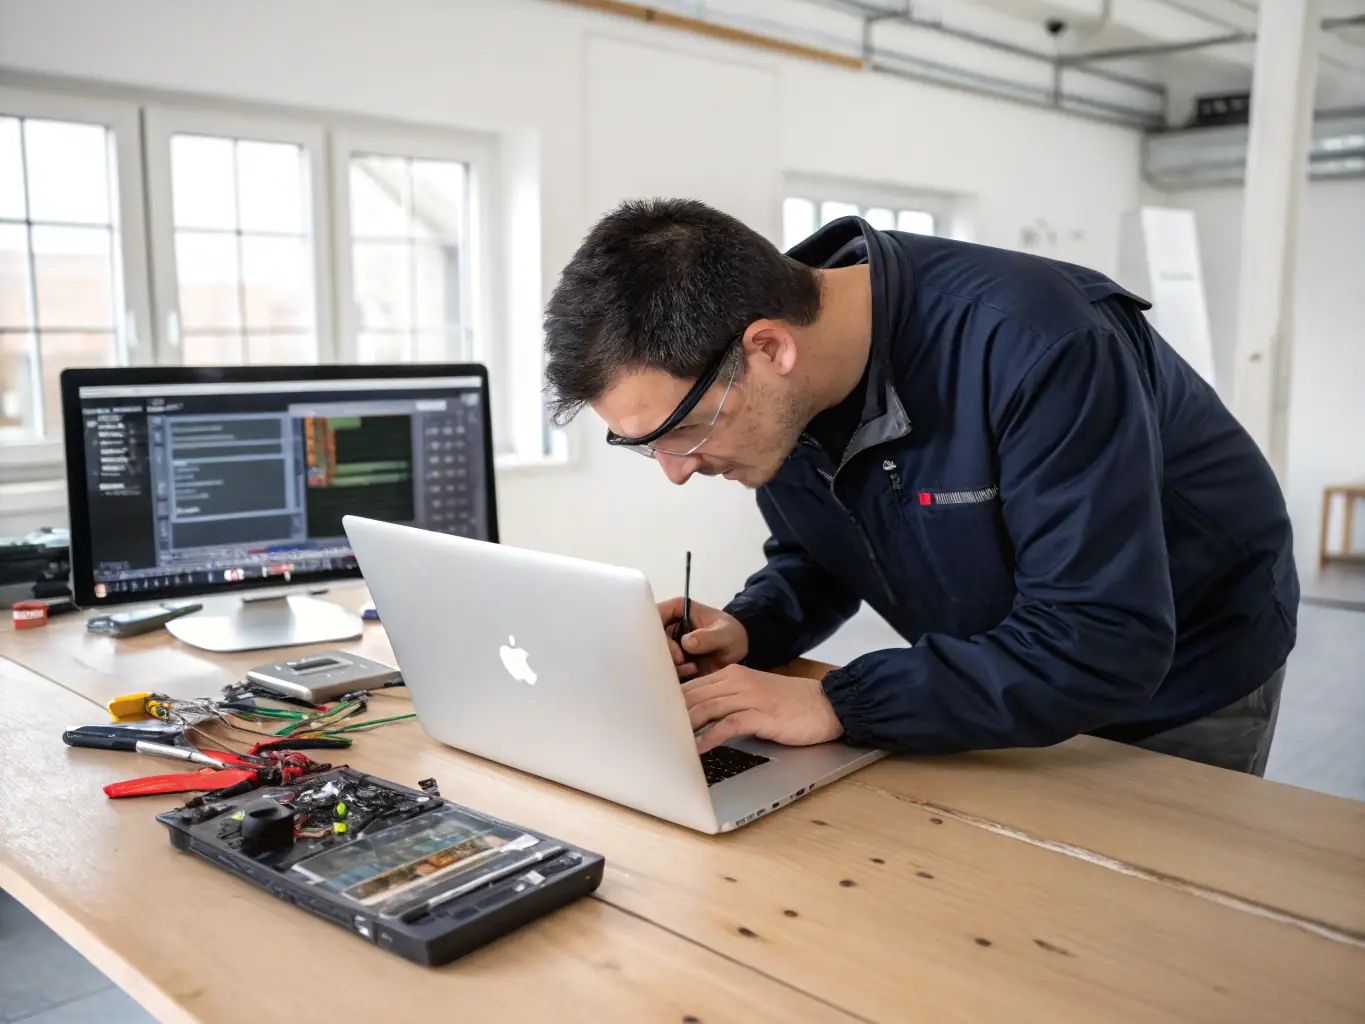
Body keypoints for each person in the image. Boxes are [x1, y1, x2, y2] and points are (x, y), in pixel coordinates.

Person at [542, 198, 1299, 776]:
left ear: (768, 348)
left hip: (1182, 674)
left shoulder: (1038, 346)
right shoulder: (788, 382)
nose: (677, 470)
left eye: (682, 432)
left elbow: (1101, 641)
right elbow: (825, 549)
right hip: (998, 676)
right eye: (643, 448)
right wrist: (751, 630)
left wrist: (842, 702)